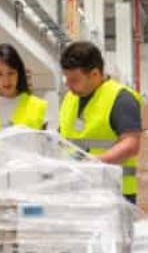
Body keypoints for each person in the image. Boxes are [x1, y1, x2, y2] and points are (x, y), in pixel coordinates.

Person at [57, 41, 143, 203]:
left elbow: (131, 144)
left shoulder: (121, 98)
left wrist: (93, 164)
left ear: (95, 74)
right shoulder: (69, 99)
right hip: (76, 190)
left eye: (74, 80)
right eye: (66, 79)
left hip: (115, 193)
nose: (68, 85)